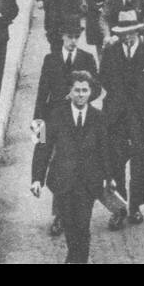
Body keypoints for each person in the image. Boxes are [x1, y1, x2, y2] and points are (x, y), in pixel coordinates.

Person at [30, 71, 113, 265]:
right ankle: (74, 256)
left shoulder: (99, 117)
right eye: (77, 90)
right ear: (70, 91)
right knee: (69, 225)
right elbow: (42, 147)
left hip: (87, 183)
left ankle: (78, 260)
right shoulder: (55, 115)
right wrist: (36, 179)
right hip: (62, 181)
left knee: (83, 226)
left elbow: (105, 150)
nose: (81, 95)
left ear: (91, 92)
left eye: (85, 90)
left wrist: (111, 177)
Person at [99, 10, 144, 228]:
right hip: (116, 116)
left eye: (131, 32)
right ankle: (119, 207)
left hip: (142, 116)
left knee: (140, 160)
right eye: (123, 33)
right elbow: (104, 80)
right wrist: (118, 99)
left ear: (138, 31)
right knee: (116, 160)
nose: (127, 37)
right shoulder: (110, 53)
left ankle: (135, 206)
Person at [32, 23, 99, 238]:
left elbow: (96, 88)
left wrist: (80, 97)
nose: (72, 41)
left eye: (76, 37)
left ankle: (73, 212)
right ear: (61, 36)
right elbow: (42, 93)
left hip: (78, 122)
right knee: (56, 165)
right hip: (54, 121)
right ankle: (59, 215)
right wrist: (37, 125)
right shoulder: (50, 60)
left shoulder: (87, 59)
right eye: (69, 37)